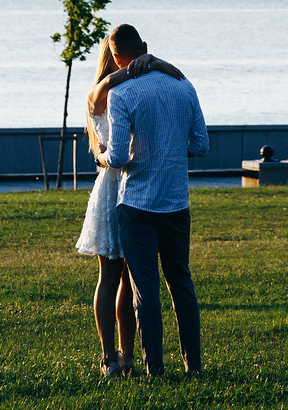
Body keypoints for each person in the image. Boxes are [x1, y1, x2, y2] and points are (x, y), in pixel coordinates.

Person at [75, 38, 191, 379]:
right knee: (110, 273)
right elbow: (109, 84)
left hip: (136, 185)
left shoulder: (134, 88)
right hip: (112, 187)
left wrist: (156, 65)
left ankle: (127, 353)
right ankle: (108, 356)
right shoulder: (100, 92)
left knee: (133, 277)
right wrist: (153, 63)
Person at [97, 22, 209, 377]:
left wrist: (101, 157)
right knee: (181, 284)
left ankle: (154, 368)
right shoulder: (183, 85)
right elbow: (200, 145)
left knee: (145, 289)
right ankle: (194, 365)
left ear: (116, 58)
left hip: (139, 205)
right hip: (177, 202)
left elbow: (116, 157)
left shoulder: (122, 94)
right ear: (145, 46)